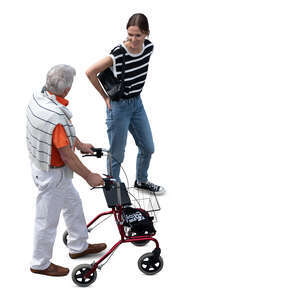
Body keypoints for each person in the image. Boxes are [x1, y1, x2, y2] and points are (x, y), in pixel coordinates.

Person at [26, 64, 107, 277]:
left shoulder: (39, 98)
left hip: (42, 163)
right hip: (52, 173)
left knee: (73, 204)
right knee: (46, 220)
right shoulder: (57, 116)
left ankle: (78, 246)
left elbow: (60, 135)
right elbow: (67, 155)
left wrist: (79, 144)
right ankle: (40, 263)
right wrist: (89, 175)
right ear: (67, 89)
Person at [86, 13, 165, 195]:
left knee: (148, 147)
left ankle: (141, 180)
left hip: (137, 104)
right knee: (117, 153)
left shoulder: (149, 48)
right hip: (119, 107)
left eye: (138, 35)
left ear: (146, 33)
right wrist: (105, 97)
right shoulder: (118, 53)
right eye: (130, 34)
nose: (133, 39)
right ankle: (115, 191)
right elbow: (90, 72)